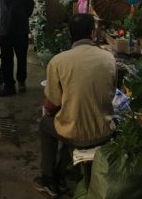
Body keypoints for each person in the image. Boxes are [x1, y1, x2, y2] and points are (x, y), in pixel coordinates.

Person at [33, 13, 116, 198]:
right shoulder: (109, 58)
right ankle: (61, 175)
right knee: (71, 120)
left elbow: (51, 105)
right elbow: (110, 92)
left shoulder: (59, 61)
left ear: (70, 35)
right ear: (93, 34)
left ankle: (48, 179)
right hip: (104, 130)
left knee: (46, 124)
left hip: (74, 132)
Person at [0, 0, 34, 96]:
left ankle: (21, 81)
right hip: (4, 28)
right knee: (6, 59)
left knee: (21, 57)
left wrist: (21, 17)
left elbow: (30, 6)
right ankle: (8, 84)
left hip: (20, 29)